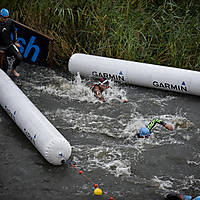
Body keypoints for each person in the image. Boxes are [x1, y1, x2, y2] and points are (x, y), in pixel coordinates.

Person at [0, 8, 23, 77]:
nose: (6, 19)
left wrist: (15, 41)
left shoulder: (10, 21)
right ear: (0, 17)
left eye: (7, 17)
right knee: (5, 66)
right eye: (4, 18)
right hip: (0, 46)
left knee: (19, 57)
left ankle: (13, 69)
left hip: (9, 44)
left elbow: (14, 31)